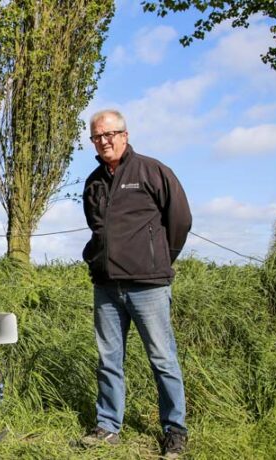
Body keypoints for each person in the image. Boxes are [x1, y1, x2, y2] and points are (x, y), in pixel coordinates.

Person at [80, 109, 191, 458]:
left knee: (162, 359)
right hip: (107, 286)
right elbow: (97, 229)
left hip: (149, 286)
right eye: (98, 136)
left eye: (111, 133)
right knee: (108, 359)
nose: (105, 140)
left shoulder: (152, 171)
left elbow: (180, 220)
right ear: (93, 142)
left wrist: (159, 259)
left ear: (125, 135)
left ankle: (174, 430)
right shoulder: (93, 182)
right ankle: (108, 425)